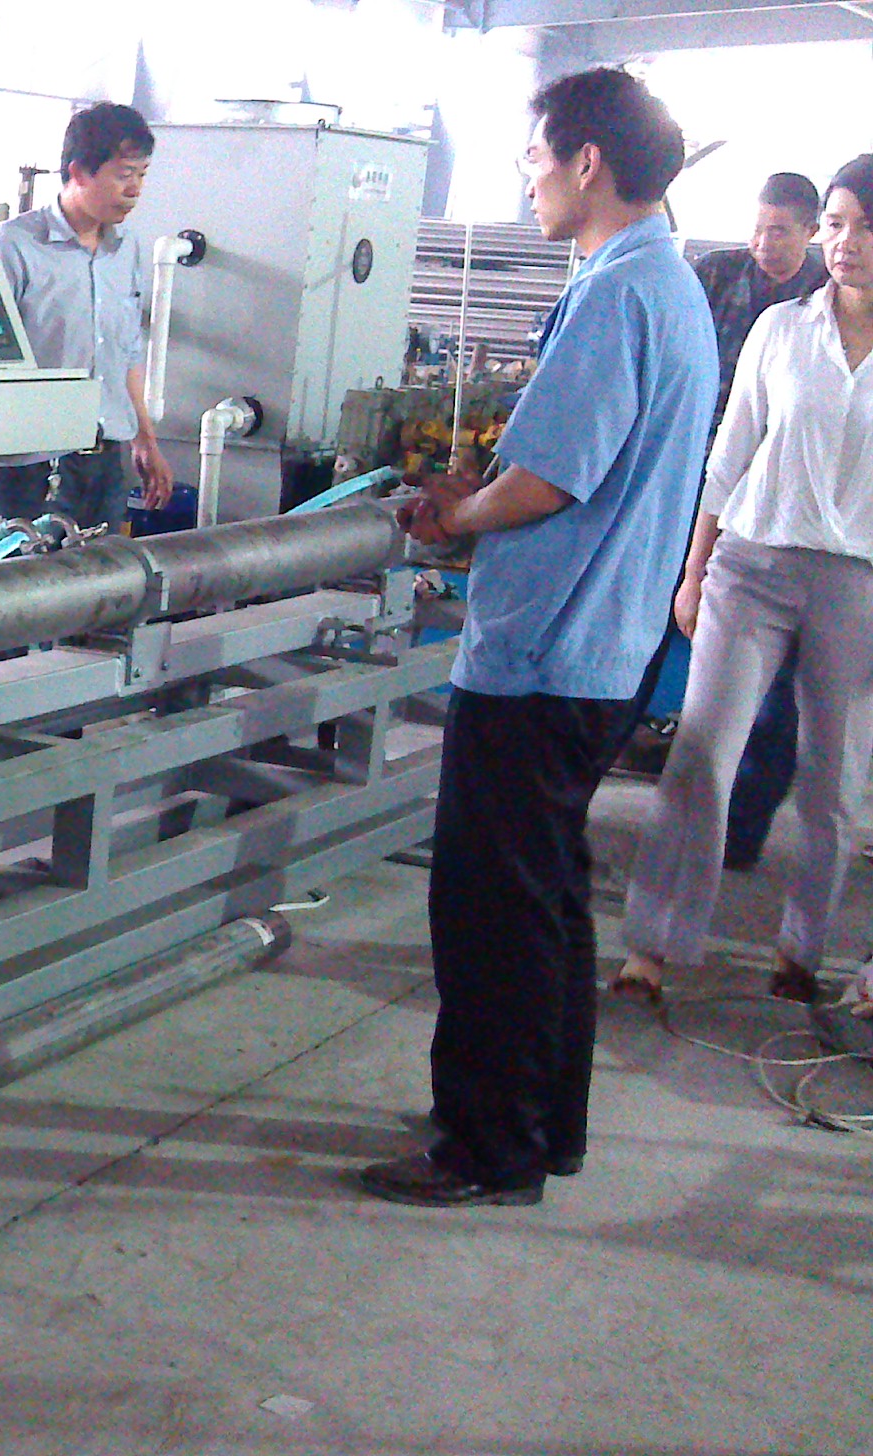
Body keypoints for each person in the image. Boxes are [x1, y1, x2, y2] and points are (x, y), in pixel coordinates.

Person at [358, 68, 716, 1208]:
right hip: (605, 649)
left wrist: (458, 512)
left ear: (587, 162)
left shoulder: (616, 294)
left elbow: (551, 480)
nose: (527, 182)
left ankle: (487, 1147)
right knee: (550, 897)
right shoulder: (669, 285)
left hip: (547, 652)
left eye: (534, 159)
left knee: (491, 909)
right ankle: (544, 1122)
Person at [614, 156, 873, 1015]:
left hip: (857, 584)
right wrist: (694, 571)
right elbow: (728, 456)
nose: (845, 243)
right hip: (750, 568)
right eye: (835, 224)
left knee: (832, 783)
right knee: (699, 758)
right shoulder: (781, 330)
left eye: (864, 227)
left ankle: (801, 952)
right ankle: (652, 947)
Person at [631, 173, 830, 862]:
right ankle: (595, 769)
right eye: (758, 228)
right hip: (694, 479)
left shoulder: (827, 303)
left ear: (810, 233)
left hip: (781, 509)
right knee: (650, 626)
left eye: (780, 232)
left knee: (781, 685)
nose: (763, 244)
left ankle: (738, 833)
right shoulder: (714, 276)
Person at [0, 102, 176, 538]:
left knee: (100, 578)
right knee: (14, 578)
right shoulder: (10, 246)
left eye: (142, 175)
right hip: (25, 466)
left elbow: (127, 352)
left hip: (103, 461)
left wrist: (145, 439)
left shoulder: (127, 249)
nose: (135, 189)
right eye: (124, 175)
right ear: (79, 171)